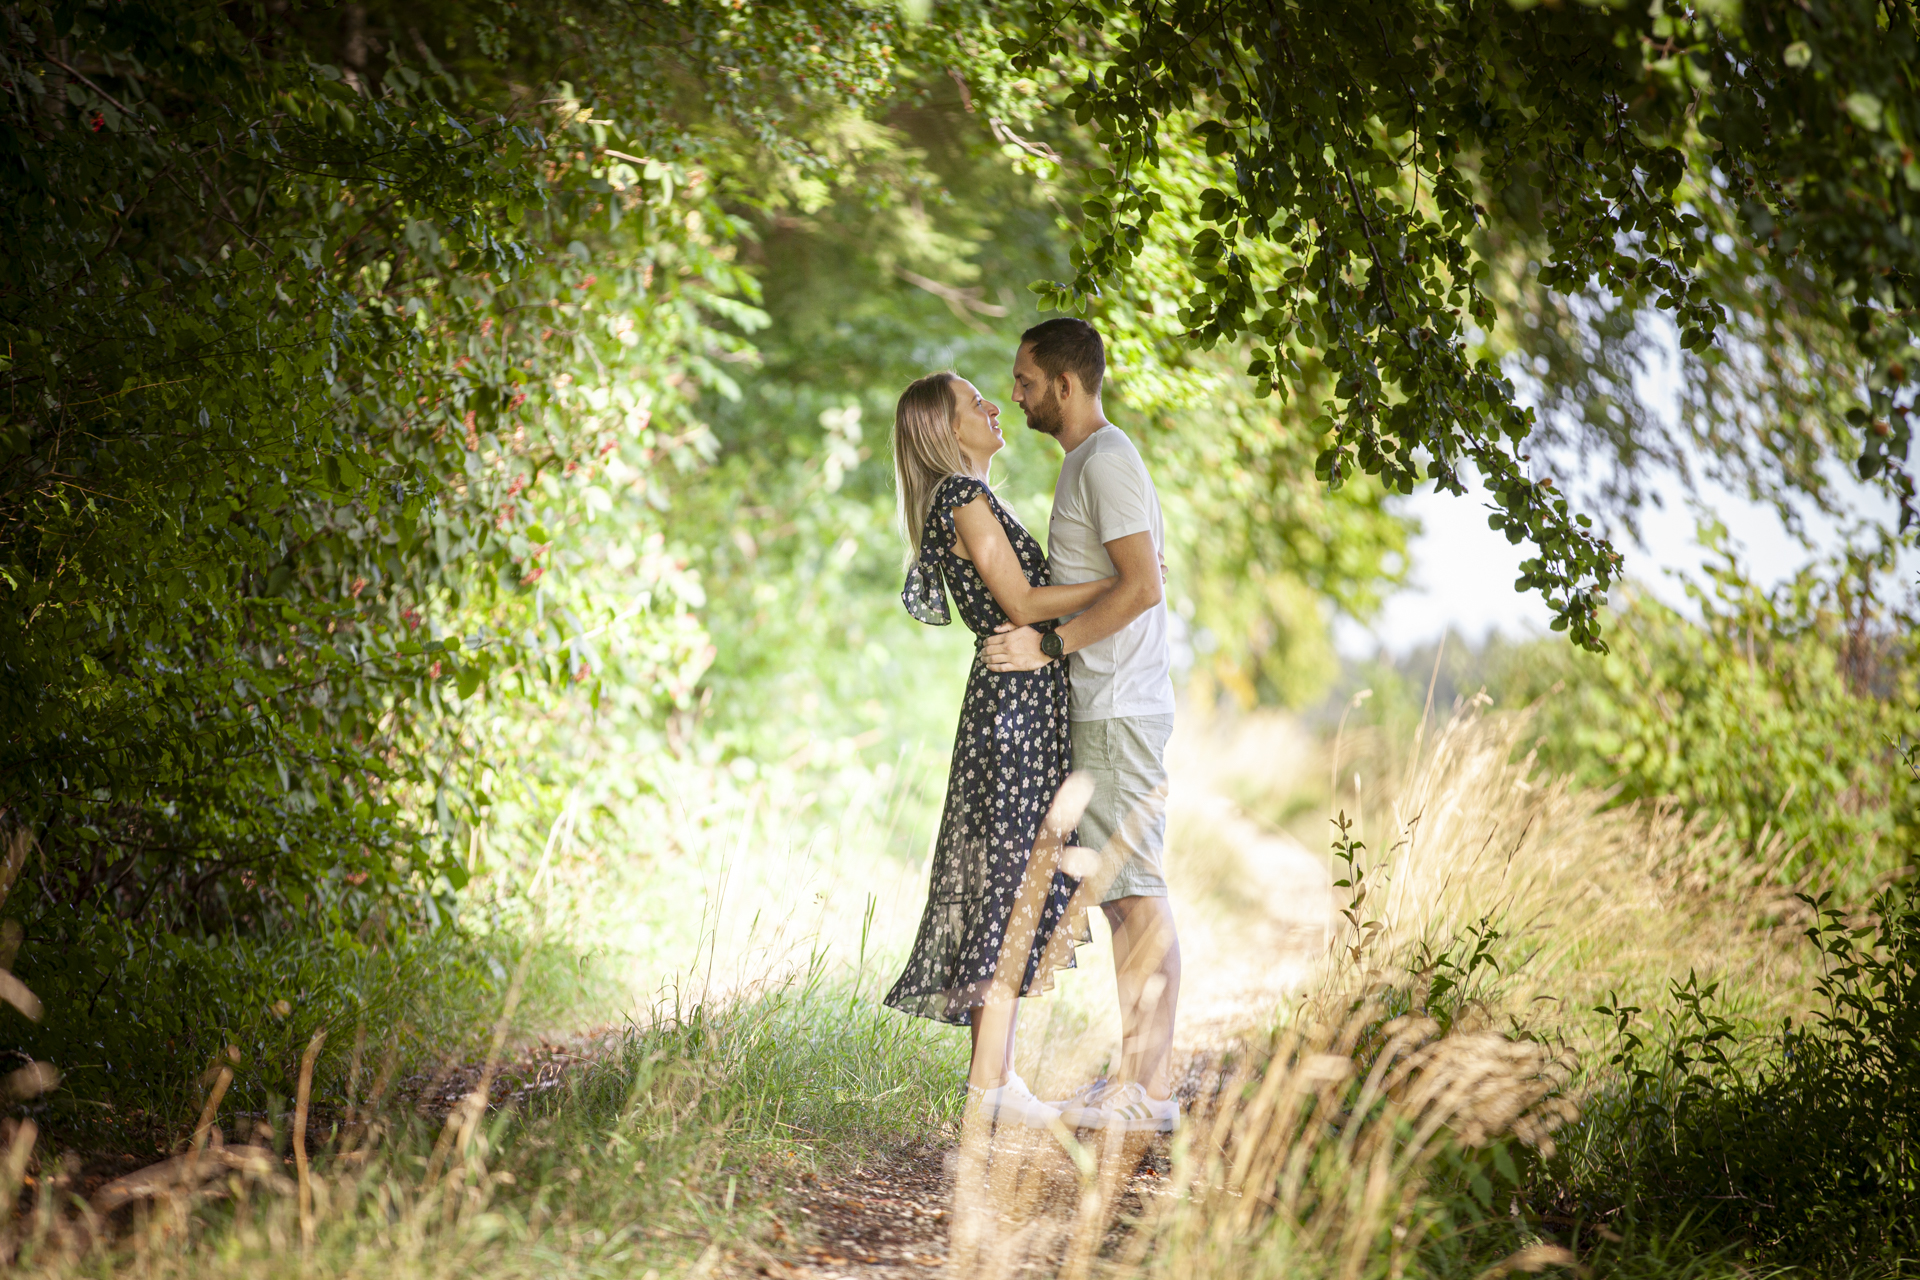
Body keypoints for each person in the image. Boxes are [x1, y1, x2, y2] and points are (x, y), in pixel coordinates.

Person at [882, 370, 1119, 1127]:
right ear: (949, 431)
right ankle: (990, 1090)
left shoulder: (970, 498)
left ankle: (997, 1083)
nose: (993, 407)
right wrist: (1118, 583)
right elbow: (1018, 604)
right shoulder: (962, 497)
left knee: (1009, 879)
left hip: (1019, 702)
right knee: (1012, 881)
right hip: (1014, 707)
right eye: (974, 403)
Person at [982, 318, 1183, 1134]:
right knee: (1120, 896)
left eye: (1026, 381)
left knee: (1137, 897)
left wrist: (1047, 645)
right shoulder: (1086, 465)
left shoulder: (1107, 460)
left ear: (1066, 384)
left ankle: (1152, 1092)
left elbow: (1141, 586)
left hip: (1120, 703)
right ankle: (1140, 1081)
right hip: (1103, 704)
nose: (1017, 394)